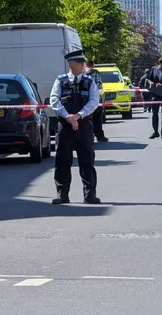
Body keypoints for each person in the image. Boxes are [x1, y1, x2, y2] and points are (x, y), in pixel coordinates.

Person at [49, 49, 101, 205]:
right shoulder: (60, 81)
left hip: (83, 125)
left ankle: (90, 195)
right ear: (72, 64)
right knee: (62, 161)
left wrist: (77, 116)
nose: (83, 65)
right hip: (65, 126)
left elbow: (94, 102)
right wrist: (68, 117)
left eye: (83, 63)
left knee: (87, 161)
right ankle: (62, 194)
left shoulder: (89, 81)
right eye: (80, 63)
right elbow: (54, 101)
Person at [85, 60, 108, 142]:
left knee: (86, 119)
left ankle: (88, 137)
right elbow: (99, 85)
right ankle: (100, 136)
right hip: (95, 99)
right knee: (97, 119)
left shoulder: (82, 73)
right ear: (92, 65)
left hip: (84, 100)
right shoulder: (95, 72)